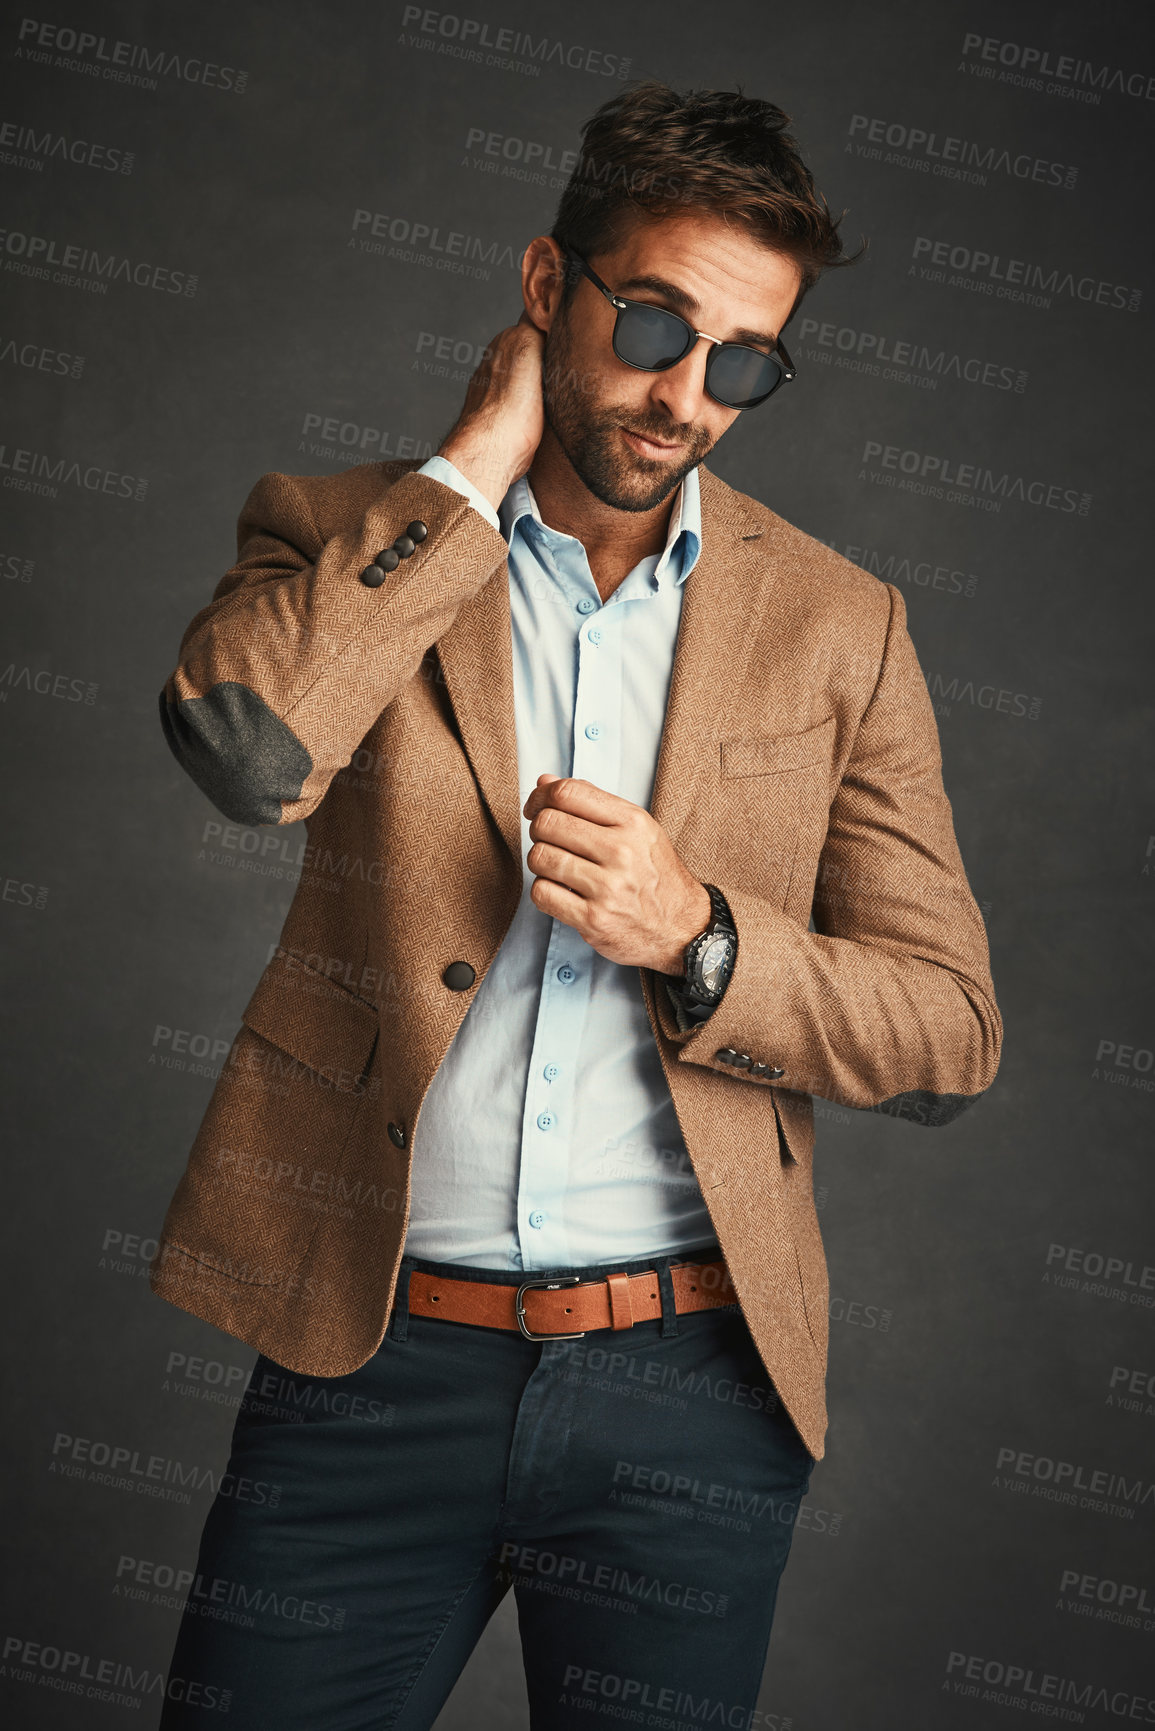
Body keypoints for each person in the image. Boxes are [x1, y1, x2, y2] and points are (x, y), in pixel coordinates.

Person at [151, 80, 1001, 1729]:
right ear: (548, 286)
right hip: (369, 1364)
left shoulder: (843, 626)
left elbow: (951, 1033)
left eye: (743, 362)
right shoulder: (347, 538)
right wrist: (470, 476)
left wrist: (704, 936)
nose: (687, 393)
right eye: (658, 322)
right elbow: (244, 756)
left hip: (690, 1389)